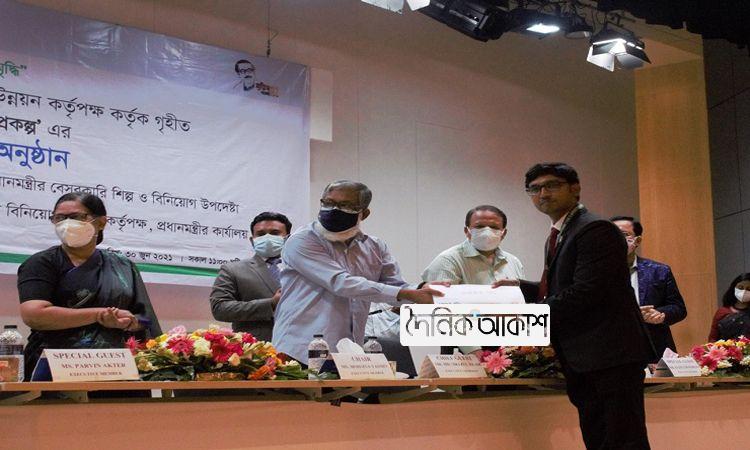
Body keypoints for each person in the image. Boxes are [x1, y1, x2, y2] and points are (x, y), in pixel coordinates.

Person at [497, 163, 652, 449]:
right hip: (586, 355)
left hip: (610, 354)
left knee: (623, 441)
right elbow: (566, 286)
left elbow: (589, 290)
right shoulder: (561, 233)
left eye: (552, 185)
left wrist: (530, 314)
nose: (543, 193)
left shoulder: (595, 229)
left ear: (575, 188)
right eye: (534, 189)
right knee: (599, 439)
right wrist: (522, 287)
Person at [272, 180, 442, 364]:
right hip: (298, 350)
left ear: (364, 213)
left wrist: (422, 289)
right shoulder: (302, 240)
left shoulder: (374, 247)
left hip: (349, 352)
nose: (334, 210)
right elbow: (341, 283)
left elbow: (395, 288)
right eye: (328, 203)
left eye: (345, 205)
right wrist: (408, 294)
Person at [17, 192, 161, 380]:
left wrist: (128, 322)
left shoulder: (123, 266)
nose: (67, 224)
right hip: (58, 367)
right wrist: (98, 315)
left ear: (101, 222)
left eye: (76, 217)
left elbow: (146, 321)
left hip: (117, 367)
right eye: (59, 218)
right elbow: (34, 315)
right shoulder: (41, 263)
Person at [422, 204, 524, 356]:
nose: (487, 231)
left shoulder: (513, 262)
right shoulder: (448, 260)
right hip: (466, 350)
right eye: (480, 226)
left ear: (503, 233)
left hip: (512, 347)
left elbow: (521, 305)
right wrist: (474, 350)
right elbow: (443, 311)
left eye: (494, 227)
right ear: (467, 231)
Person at [611, 215, 687, 361]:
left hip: (653, 347)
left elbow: (679, 308)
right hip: (612, 349)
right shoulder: (595, 273)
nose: (617, 239)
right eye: (612, 235)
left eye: (624, 234)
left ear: (638, 240)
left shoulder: (659, 271)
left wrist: (661, 314)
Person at [209, 211, 292, 341]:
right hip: (257, 348)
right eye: (261, 234)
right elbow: (219, 309)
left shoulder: (303, 269)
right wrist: (270, 304)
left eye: (275, 233)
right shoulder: (232, 270)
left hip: (303, 345)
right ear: (252, 240)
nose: (268, 238)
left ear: (288, 238)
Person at [708, 273, 750, 341]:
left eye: (748, 289)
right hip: (726, 347)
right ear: (733, 288)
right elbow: (713, 338)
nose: (744, 291)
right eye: (740, 288)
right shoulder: (722, 312)